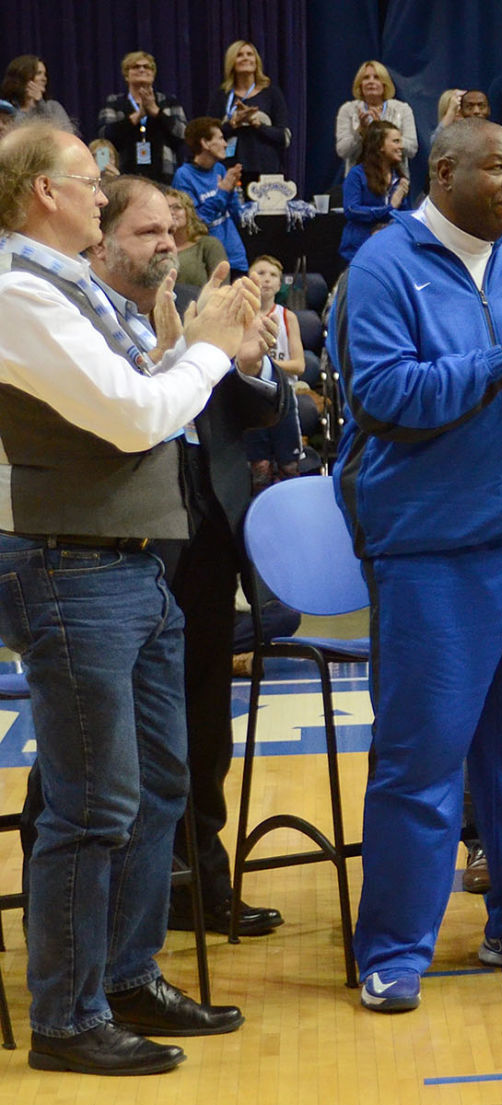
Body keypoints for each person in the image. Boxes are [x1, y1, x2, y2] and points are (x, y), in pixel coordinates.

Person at [333, 118, 502, 1013]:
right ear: (442, 169)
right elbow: (384, 396)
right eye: (498, 169)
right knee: (423, 758)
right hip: (431, 551)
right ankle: (394, 950)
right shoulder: (385, 264)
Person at [0, 124, 258, 1074]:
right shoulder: (19, 293)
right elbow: (134, 415)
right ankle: (65, 1018)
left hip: (130, 565)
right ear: (40, 195)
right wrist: (213, 352)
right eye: (85, 179)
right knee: (92, 803)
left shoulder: (66, 286)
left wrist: (191, 344)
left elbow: (139, 396)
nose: (100, 193)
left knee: (159, 786)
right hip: (69, 566)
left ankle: (126, 976)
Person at [90, 183, 292, 943]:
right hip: (124, 549)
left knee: (204, 734)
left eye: (174, 231)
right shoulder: (87, 317)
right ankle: (97, 911)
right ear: (102, 241)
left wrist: (244, 359)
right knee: (108, 743)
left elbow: (257, 410)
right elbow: (130, 418)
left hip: (207, 541)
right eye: (149, 231)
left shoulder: (199, 313)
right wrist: (184, 351)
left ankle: (199, 887)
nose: (168, 244)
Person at [241, 255, 306, 488]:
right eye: (260, 273)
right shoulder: (239, 315)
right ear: (248, 278)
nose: (266, 279)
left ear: (280, 284)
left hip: (283, 396)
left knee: (289, 467)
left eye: (273, 275)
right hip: (249, 397)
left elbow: (299, 365)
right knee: (259, 469)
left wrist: (262, 363)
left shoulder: (288, 317)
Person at [96, 53, 188, 184]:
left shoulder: (169, 102)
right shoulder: (115, 102)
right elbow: (104, 136)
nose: (142, 70)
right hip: (123, 176)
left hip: (163, 175)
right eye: (136, 66)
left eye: (147, 67)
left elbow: (183, 134)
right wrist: (137, 116)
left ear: (153, 74)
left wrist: (156, 111)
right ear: (126, 75)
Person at [172, 117, 247, 272]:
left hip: (235, 257)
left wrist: (231, 190)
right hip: (208, 261)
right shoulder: (184, 176)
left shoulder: (220, 169)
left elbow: (237, 216)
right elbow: (195, 223)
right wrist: (222, 192)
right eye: (220, 138)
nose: (225, 144)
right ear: (205, 143)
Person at [339, 121, 412, 263]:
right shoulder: (357, 175)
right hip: (358, 250)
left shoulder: (399, 178)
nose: (401, 146)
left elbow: (404, 215)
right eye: (396, 141)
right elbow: (351, 210)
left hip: (390, 250)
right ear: (380, 146)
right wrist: (388, 208)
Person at [218, 42, 289, 181]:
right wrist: (234, 123)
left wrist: (256, 123)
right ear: (231, 61)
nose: (245, 58)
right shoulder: (221, 95)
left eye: (250, 54)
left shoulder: (272, 93)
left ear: (256, 61)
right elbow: (210, 134)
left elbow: (283, 137)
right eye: (239, 55)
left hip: (267, 171)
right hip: (231, 170)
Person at [335, 61, 419, 178]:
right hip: (358, 182)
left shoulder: (402, 109)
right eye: (366, 78)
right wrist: (360, 132)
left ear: (385, 84)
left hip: (395, 181)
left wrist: (382, 132)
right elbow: (343, 151)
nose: (371, 81)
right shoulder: (348, 110)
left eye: (377, 77)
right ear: (360, 84)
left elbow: (412, 148)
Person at [164, 188, 226, 288]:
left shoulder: (208, 245)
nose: (171, 212)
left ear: (188, 212)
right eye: (166, 208)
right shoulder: (159, 247)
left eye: (177, 207)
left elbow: (222, 286)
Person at [1, 55, 72, 133]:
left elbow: (66, 134)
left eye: (45, 74)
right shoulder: (6, 108)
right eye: (39, 73)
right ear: (23, 76)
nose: (44, 79)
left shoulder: (53, 107)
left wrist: (40, 103)